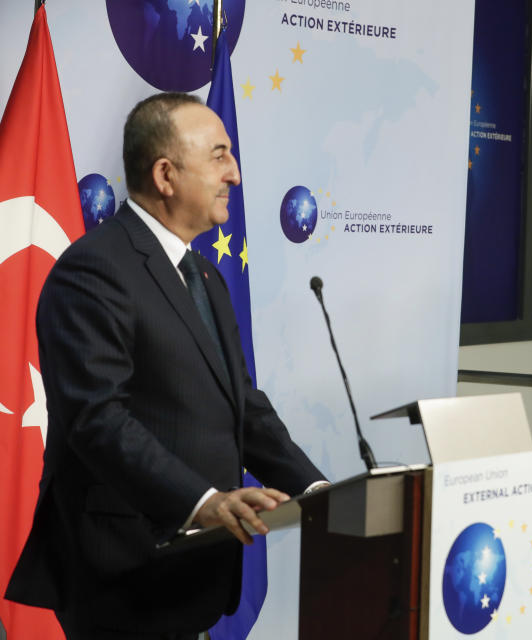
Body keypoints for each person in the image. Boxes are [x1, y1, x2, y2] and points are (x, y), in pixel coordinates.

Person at [6, 92, 327, 639]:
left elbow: (241, 406)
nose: (236, 173)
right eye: (220, 155)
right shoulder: (92, 271)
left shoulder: (205, 277)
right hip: (123, 576)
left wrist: (318, 494)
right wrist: (201, 502)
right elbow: (96, 419)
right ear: (165, 174)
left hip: (191, 574)